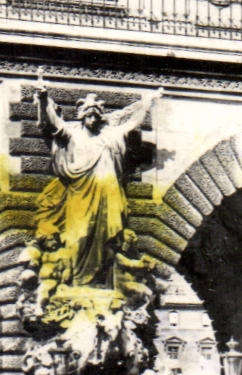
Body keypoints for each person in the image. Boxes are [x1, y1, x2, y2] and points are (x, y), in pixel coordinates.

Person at [33, 73, 163, 289]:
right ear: (82, 117)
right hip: (79, 194)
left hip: (106, 194)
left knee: (106, 238)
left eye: (95, 116)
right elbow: (53, 122)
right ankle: (75, 281)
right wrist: (44, 99)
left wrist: (147, 104)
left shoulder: (109, 136)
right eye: (89, 116)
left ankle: (99, 282)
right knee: (78, 236)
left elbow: (131, 123)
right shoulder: (72, 135)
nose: (93, 120)